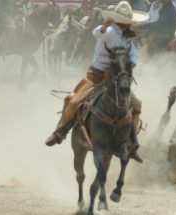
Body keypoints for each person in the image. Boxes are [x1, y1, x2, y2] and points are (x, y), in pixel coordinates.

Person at [45, 1, 149, 162]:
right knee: (72, 101)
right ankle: (61, 131)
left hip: (118, 79)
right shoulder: (108, 31)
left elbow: (134, 56)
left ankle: (131, 143)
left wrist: (127, 65)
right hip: (98, 77)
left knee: (136, 105)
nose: (129, 24)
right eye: (126, 21)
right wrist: (103, 26)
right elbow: (98, 33)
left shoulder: (128, 37)